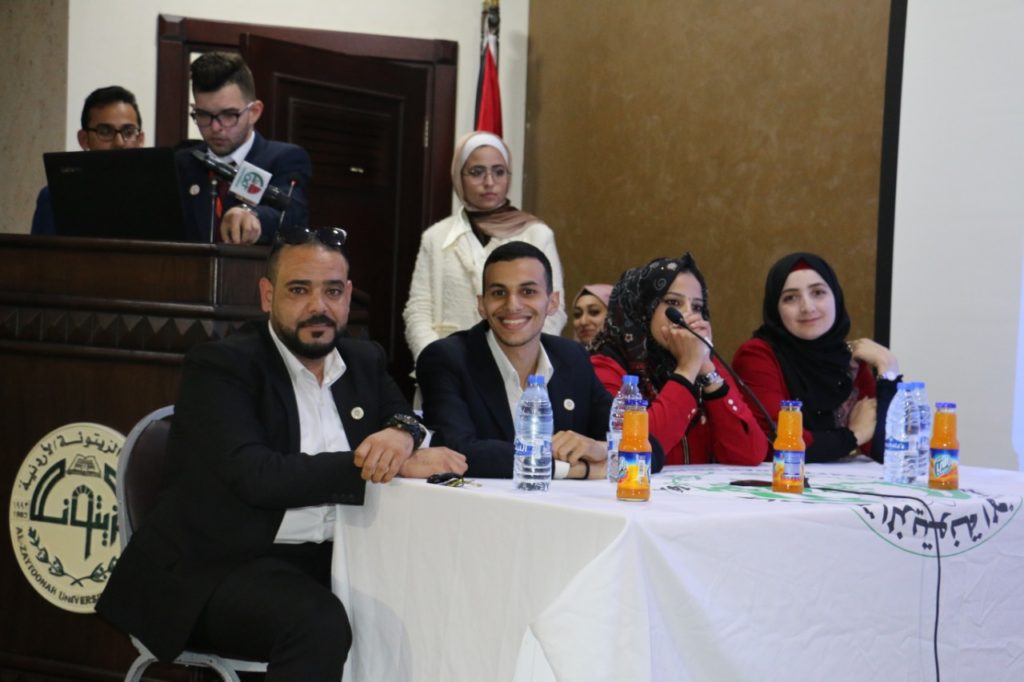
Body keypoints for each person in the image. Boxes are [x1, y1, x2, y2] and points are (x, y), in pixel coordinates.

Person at [96, 226, 466, 680]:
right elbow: (258, 476)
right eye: (299, 290)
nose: (318, 306)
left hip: (332, 557)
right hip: (215, 566)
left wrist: (402, 436)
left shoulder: (362, 360)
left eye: (332, 291)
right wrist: (379, 463)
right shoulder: (221, 366)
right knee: (317, 624)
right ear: (267, 296)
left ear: (348, 296)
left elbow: (404, 417)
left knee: (436, 600)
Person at [417, 242, 651, 478]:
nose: (513, 305)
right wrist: (577, 469)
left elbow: (649, 446)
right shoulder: (446, 358)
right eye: (499, 293)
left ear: (553, 302)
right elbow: (455, 451)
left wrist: (601, 448)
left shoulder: (572, 358)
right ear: (482, 305)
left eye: (528, 292)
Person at [403, 131, 567, 362]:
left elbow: (553, 311)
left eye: (499, 172)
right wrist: (436, 361)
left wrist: (520, 360)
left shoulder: (536, 234)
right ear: (458, 177)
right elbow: (418, 310)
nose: (489, 182)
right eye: (477, 172)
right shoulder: (436, 236)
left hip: (517, 366)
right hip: (449, 361)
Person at [590, 253, 767, 466]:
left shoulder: (704, 363)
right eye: (673, 303)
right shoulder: (605, 366)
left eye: (697, 307)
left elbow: (750, 453)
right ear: (643, 307)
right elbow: (638, 449)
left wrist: (706, 368)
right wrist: (686, 369)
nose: (688, 316)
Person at [732, 252, 901, 462]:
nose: (807, 307)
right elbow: (777, 442)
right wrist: (853, 436)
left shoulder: (847, 362)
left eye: (818, 292)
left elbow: (889, 450)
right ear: (775, 308)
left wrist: (888, 368)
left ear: (835, 297)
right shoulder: (757, 356)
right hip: (779, 481)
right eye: (790, 298)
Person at [177, 52, 311, 245]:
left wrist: (252, 214)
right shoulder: (183, 163)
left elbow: (292, 213)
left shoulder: (284, 158)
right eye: (203, 115)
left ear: (254, 112)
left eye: (229, 115)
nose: (216, 127)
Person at [31, 86, 146, 235]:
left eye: (128, 132)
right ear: (84, 139)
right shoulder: (55, 197)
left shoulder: (161, 195)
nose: (119, 142)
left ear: (140, 139)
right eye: (105, 131)